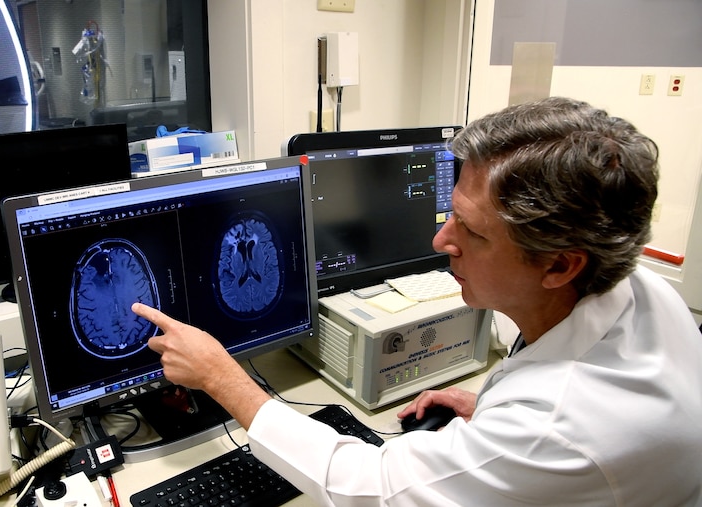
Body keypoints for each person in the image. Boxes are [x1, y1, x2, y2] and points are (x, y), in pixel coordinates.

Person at [132, 97, 702, 506]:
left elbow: (370, 485)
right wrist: (490, 413)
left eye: (472, 232)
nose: (440, 240)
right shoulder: (642, 291)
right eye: (449, 211)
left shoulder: (557, 426)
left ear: (559, 264)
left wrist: (221, 377)